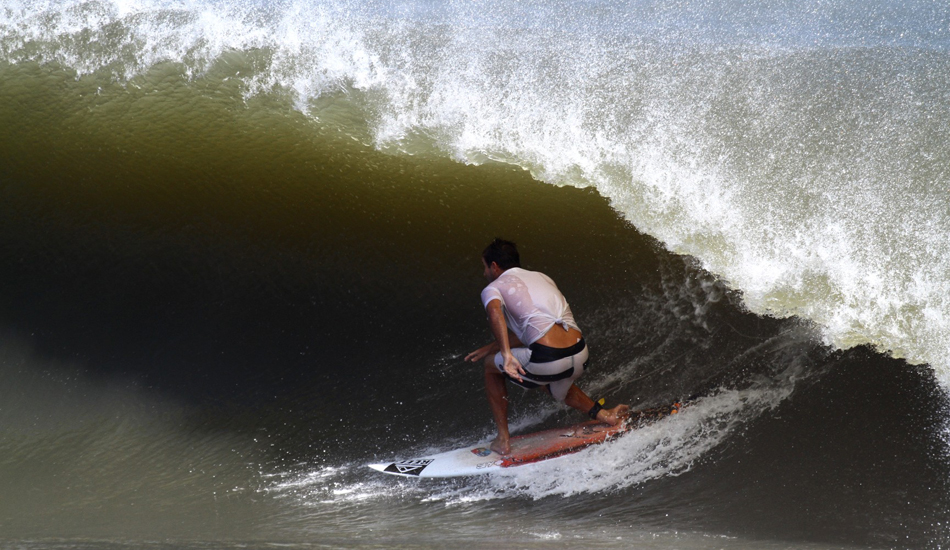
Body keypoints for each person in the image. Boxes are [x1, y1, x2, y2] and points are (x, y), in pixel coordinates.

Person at [465, 238, 629, 455]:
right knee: (551, 382)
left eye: (485, 267)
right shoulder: (542, 277)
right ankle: (606, 416)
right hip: (580, 354)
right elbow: (538, 330)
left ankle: (503, 439)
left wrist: (504, 354)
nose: (485, 273)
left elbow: (495, 313)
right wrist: (491, 347)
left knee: (490, 367)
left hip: (550, 359)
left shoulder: (494, 287)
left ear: (494, 266)